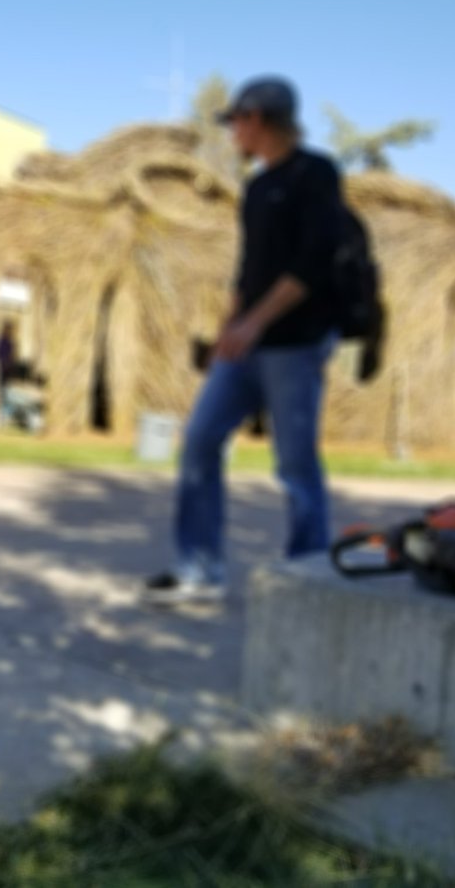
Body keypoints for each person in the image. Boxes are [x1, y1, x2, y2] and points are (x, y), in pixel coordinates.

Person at [143, 76, 342, 605]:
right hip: (246, 346)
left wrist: (256, 323)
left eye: (235, 121)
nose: (232, 131)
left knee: (295, 463)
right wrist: (229, 331)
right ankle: (200, 571)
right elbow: (249, 271)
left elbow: (313, 263)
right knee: (200, 441)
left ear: (256, 118)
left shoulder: (316, 174)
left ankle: (308, 579)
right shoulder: (255, 188)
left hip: (295, 345)